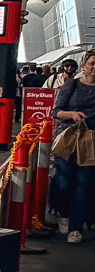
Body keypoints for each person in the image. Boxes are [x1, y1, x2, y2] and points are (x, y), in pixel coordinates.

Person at [50, 51, 95, 243]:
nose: (94, 67)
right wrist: (72, 115)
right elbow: (56, 111)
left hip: (91, 142)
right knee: (64, 181)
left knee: (84, 184)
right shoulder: (72, 85)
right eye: (92, 63)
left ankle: (75, 228)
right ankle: (64, 213)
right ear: (83, 66)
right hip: (67, 139)